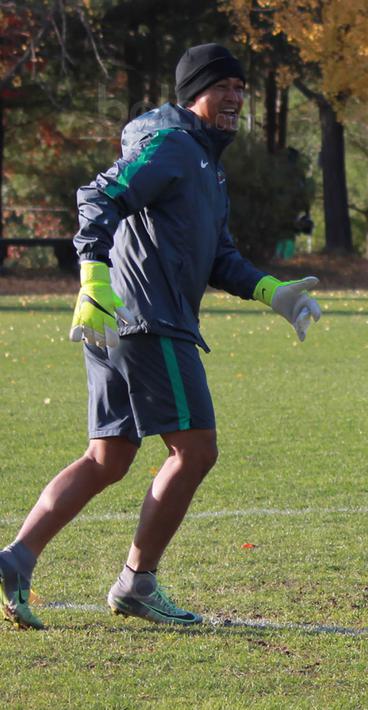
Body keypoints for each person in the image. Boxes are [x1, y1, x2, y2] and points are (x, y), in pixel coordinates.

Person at [0, 43, 322, 630]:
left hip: (119, 321)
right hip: (146, 320)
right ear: (194, 92)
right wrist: (93, 272)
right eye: (223, 85)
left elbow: (220, 257)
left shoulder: (206, 164)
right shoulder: (173, 146)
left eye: (241, 88)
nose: (236, 97)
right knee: (195, 451)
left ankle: (16, 559)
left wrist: (273, 291)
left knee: (108, 458)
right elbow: (100, 196)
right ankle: (136, 584)